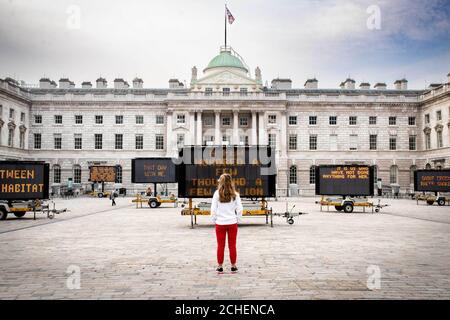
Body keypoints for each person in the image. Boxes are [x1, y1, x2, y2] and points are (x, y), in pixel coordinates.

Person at [211, 173, 243, 274]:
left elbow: (213, 209)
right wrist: (238, 219)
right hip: (232, 223)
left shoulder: (217, 194)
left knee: (220, 245)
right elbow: (240, 209)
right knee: (232, 245)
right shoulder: (235, 194)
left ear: (221, 182)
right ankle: (233, 266)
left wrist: (214, 220)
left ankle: (220, 266)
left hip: (220, 223)